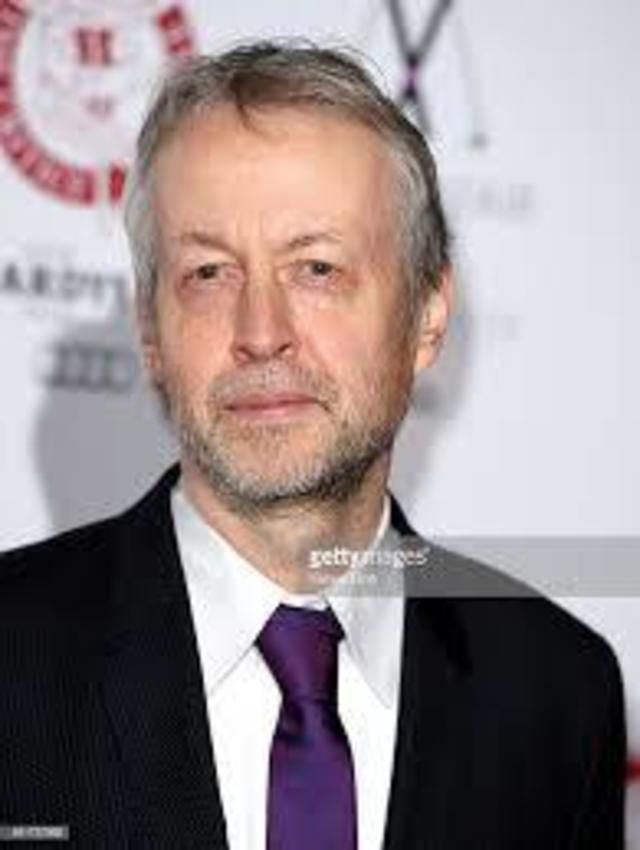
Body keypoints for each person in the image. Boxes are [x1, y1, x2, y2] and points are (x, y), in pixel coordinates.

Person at [0, 41, 625, 849]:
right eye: (209, 273)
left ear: (427, 314)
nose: (262, 332)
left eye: (317, 268)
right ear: (151, 328)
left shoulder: (558, 693)